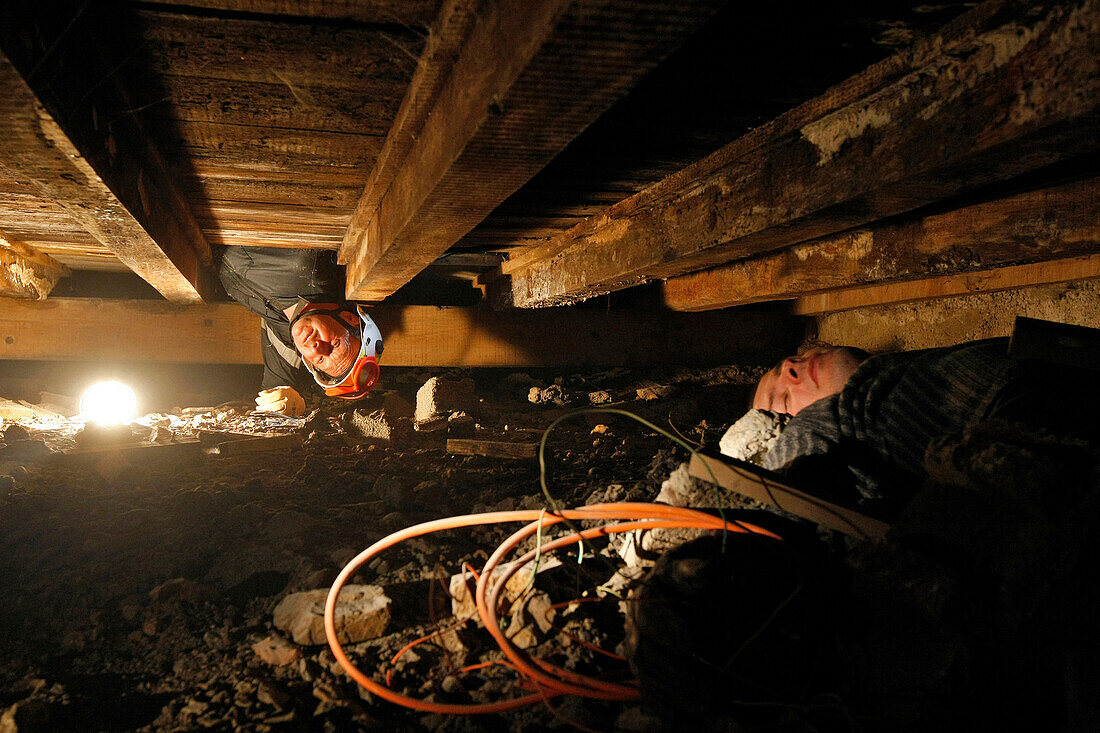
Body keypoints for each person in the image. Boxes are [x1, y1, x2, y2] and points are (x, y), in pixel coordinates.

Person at [751, 338, 1098, 506]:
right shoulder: (832, 422)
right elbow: (784, 488)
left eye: (784, 365)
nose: (790, 367)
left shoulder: (901, 376)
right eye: (780, 401)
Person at [217, 246, 382, 415]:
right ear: (349, 318)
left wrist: (287, 402)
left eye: (319, 360)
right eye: (335, 344)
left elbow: (277, 387)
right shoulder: (307, 265)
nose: (317, 347)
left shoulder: (292, 335)